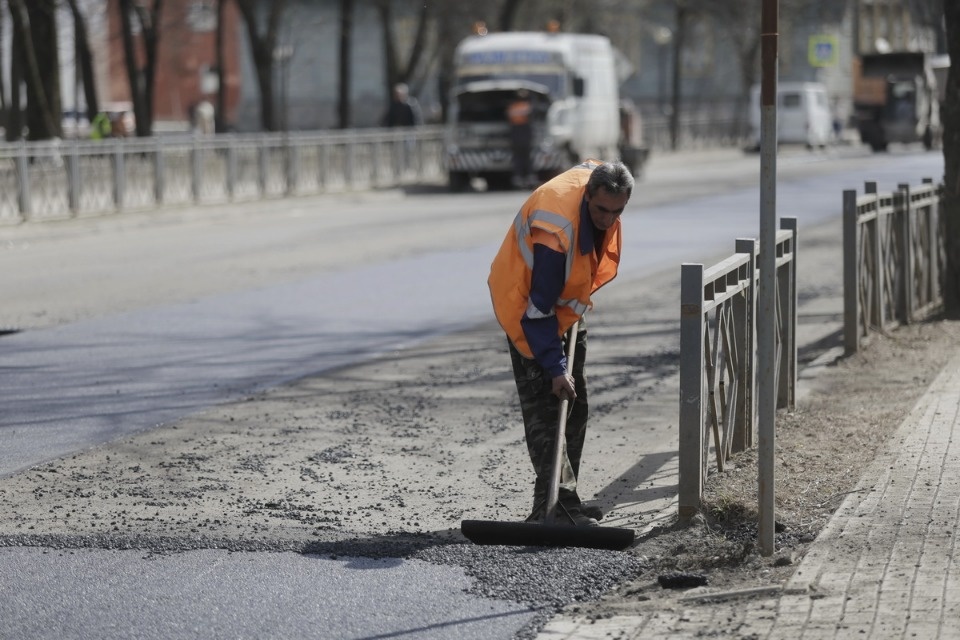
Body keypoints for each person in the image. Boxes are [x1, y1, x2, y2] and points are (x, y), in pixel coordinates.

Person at [488, 160, 634, 527]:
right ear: (587, 197)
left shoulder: (604, 181)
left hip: (564, 307)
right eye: (601, 210)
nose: (608, 219)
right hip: (527, 309)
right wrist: (554, 369)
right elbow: (538, 310)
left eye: (617, 212)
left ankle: (550, 506)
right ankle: (562, 506)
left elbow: (594, 163)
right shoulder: (557, 233)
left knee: (576, 404)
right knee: (549, 408)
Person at [507, 89, 534, 188]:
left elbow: (509, 118)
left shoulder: (512, 106)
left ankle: (519, 177)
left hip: (516, 133)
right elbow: (531, 117)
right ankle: (528, 177)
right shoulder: (527, 106)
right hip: (524, 132)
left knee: (518, 157)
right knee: (526, 157)